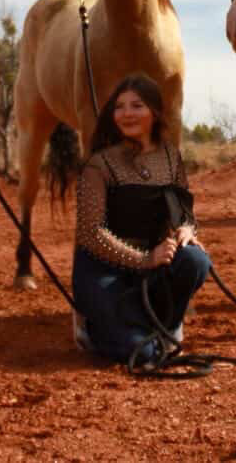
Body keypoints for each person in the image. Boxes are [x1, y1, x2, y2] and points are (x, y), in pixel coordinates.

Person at [71, 72, 210, 367]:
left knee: (196, 260)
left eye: (137, 105)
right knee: (144, 355)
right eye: (120, 106)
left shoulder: (171, 158)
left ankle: (167, 326)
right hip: (105, 270)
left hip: (153, 264)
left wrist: (187, 228)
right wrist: (145, 259)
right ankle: (93, 329)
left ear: (155, 112)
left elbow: (182, 207)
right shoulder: (99, 164)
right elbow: (90, 234)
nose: (126, 113)